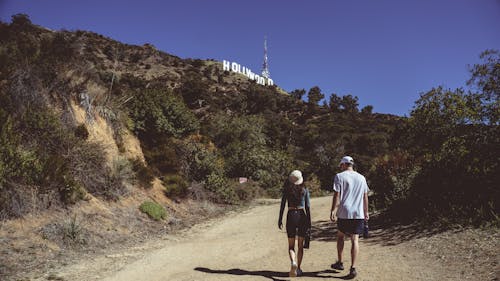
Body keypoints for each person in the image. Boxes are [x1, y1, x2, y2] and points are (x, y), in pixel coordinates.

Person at [330, 156, 369, 279]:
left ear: (343, 164)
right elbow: (365, 196)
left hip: (344, 212)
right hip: (358, 213)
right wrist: (366, 211)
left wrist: (333, 210)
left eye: (341, 165)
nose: (340, 167)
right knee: (355, 239)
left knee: (340, 236)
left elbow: (337, 194)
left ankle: (340, 263)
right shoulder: (362, 178)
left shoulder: (339, 176)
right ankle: (353, 268)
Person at [278, 170, 311, 277]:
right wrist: (309, 222)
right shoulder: (305, 190)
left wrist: (280, 219)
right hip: (302, 216)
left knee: (291, 246)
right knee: (300, 245)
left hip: (291, 215)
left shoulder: (286, 190)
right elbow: (308, 207)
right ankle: (299, 268)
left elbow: (282, 205)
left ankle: (293, 262)